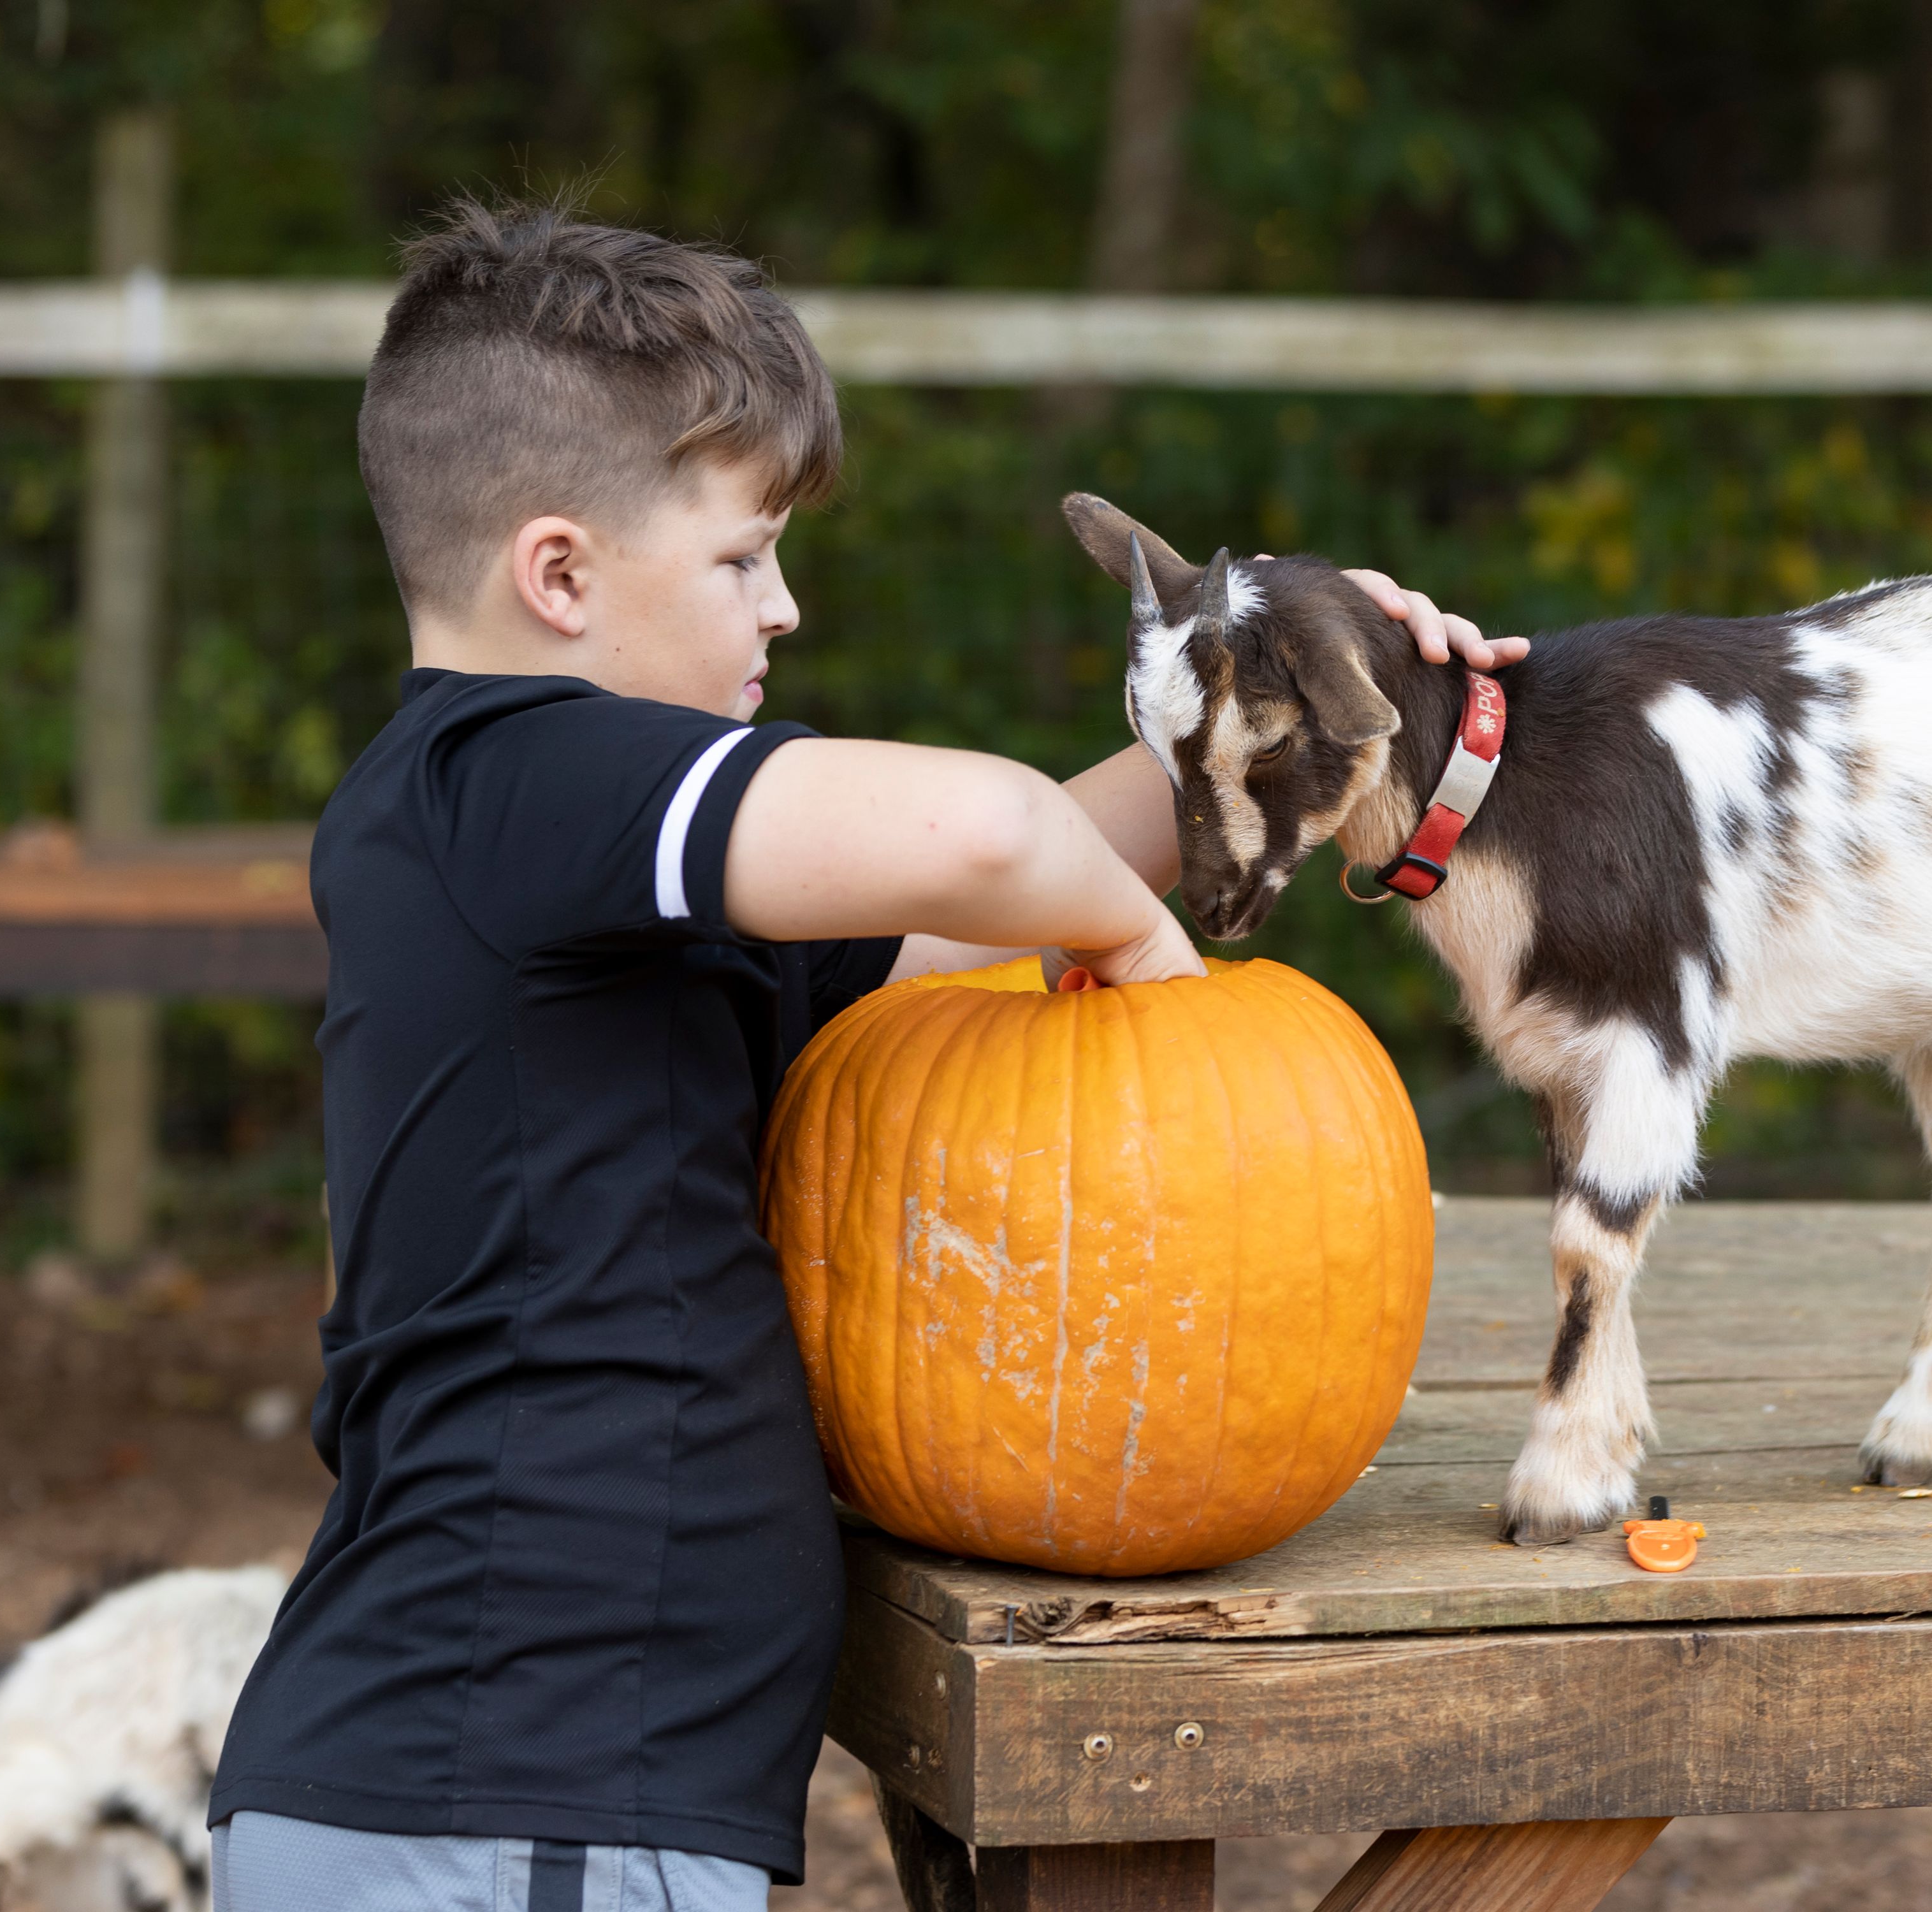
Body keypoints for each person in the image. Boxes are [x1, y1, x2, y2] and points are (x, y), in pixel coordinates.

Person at [205, 201, 1517, 1912]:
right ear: (559, 578)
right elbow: (982, 842)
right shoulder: (504, 779)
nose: (788, 606)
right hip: (507, 1799)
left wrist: (1280, 709)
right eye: (746, 557)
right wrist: (1142, 956)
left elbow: (1022, 864)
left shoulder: (578, 869)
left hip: (516, 1798)